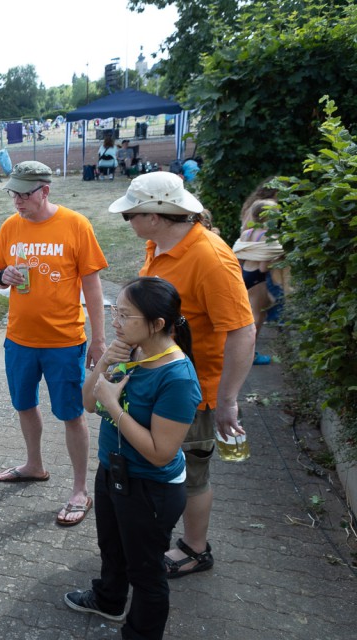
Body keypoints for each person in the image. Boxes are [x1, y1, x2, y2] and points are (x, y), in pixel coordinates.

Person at [109, 172, 255, 578]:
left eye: (130, 215)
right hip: (156, 378)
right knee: (161, 466)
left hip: (192, 391)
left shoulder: (210, 257)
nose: (128, 222)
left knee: (191, 476)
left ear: (155, 216)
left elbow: (243, 331)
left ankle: (195, 548)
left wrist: (226, 400)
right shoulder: (159, 245)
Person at [64, 277, 201, 640]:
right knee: (112, 548)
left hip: (150, 488)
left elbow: (160, 453)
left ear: (157, 323)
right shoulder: (131, 351)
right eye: (116, 312)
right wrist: (104, 361)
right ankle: (108, 600)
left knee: (146, 572)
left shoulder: (177, 377)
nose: (116, 322)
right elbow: (87, 403)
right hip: (113, 470)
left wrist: (113, 405)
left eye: (125, 315)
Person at [0, 161, 108, 527]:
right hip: (19, 339)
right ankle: (34, 465)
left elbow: (92, 287)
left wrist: (99, 339)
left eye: (24, 194)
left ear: (45, 190)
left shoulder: (76, 225)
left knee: (71, 414)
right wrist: (3, 276)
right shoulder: (10, 227)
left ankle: (80, 490)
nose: (18, 201)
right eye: (14, 194)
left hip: (64, 341)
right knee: (24, 404)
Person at [232, 198, 284, 365]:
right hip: (258, 278)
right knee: (257, 318)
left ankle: (239, 352)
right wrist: (279, 257)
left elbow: (240, 257)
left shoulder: (247, 233)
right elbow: (263, 268)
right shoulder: (269, 237)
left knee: (244, 316)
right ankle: (250, 355)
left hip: (245, 273)